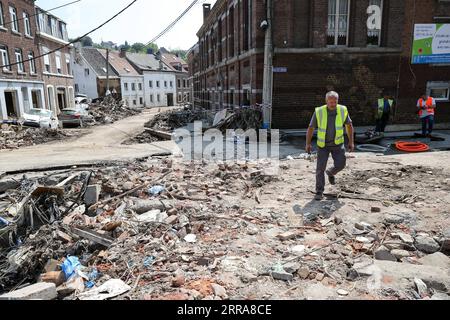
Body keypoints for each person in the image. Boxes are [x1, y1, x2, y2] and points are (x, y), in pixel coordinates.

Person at [306, 91, 355, 201]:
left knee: (341, 164)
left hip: (338, 144)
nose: (333, 104)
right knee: (320, 169)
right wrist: (308, 144)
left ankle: (331, 172)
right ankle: (319, 191)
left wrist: (351, 142)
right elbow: (310, 128)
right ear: (326, 101)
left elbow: (349, 126)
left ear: (337, 101)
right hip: (323, 145)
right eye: (330, 102)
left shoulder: (343, 110)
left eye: (335, 101)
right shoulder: (319, 111)